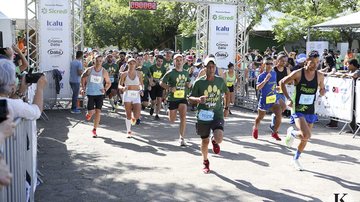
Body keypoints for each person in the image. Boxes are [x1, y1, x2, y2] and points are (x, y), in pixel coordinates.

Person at [280, 50, 325, 171]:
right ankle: (292, 133)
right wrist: (288, 99)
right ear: (306, 61)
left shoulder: (320, 75)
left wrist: (322, 91)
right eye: (312, 62)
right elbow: (282, 82)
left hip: (310, 110)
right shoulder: (298, 73)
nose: (314, 65)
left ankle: (295, 159)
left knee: (305, 138)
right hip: (298, 108)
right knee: (306, 134)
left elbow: (322, 88)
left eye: (316, 62)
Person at [189, 56, 230, 174]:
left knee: (219, 137)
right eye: (209, 67)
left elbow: (227, 92)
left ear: (215, 68)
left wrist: (227, 107)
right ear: (205, 68)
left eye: (213, 66)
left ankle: (215, 140)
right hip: (203, 115)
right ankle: (205, 161)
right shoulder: (199, 82)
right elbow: (190, 98)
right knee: (204, 141)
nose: (211, 69)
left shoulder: (220, 81)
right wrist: (198, 99)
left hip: (216, 113)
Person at [160, 54, 191, 146]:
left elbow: (188, 82)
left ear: (183, 61)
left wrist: (188, 84)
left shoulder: (185, 72)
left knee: (183, 116)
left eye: (180, 60)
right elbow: (161, 82)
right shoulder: (170, 72)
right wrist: (169, 88)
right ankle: (167, 108)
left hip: (182, 98)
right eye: (177, 60)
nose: (179, 62)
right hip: (172, 98)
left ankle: (181, 138)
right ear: (174, 62)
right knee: (172, 120)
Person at [251, 57, 282, 141]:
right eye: (267, 63)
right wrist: (265, 80)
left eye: (271, 63)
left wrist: (277, 88)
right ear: (263, 65)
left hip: (273, 99)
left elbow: (273, 85)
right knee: (260, 117)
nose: (269, 65)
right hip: (264, 100)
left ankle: (274, 132)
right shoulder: (261, 76)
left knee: (279, 115)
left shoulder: (274, 74)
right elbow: (258, 87)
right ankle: (255, 128)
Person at [81, 55, 111, 138]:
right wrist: (83, 88)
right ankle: (89, 114)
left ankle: (94, 129)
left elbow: (108, 83)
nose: (98, 62)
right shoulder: (89, 70)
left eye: (100, 61)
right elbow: (82, 78)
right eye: (97, 61)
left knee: (98, 111)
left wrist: (105, 89)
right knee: (91, 112)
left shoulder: (104, 71)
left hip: (99, 94)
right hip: (90, 93)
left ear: (102, 62)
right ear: (94, 61)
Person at [118, 58, 144, 137]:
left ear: (136, 64)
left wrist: (141, 90)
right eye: (130, 63)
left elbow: (141, 84)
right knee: (128, 114)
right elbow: (119, 85)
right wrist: (122, 88)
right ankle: (128, 131)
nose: (132, 65)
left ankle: (134, 117)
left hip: (136, 95)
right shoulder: (124, 74)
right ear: (128, 64)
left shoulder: (139, 74)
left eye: (133, 63)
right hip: (127, 94)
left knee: (137, 115)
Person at [270, 54, 291, 131]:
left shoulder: (287, 70)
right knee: (283, 106)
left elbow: (290, 80)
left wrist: (290, 83)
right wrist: (275, 87)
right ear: (278, 61)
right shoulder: (273, 69)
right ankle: (274, 126)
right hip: (274, 92)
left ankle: (273, 120)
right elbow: (269, 81)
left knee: (282, 108)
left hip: (283, 91)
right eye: (282, 61)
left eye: (285, 61)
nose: (284, 62)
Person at [149, 55, 167, 120]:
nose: (160, 62)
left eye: (161, 61)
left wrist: (162, 83)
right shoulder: (152, 67)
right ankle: (152, 107)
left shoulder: (164, 69)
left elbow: (164, 78)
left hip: (159, 85)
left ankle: (157, 114)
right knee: (153, 101)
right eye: (158, 61)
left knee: (159, 99)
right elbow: (149, 77)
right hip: (153, 85)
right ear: (156, 60)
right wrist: (152, 81)